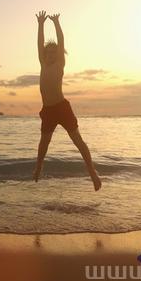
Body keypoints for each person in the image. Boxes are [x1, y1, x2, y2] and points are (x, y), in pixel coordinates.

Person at [32, 11, 102, 190]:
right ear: (44, 55)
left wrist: (56, 23)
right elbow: (39, 44)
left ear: (58, 55)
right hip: (48, 110)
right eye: (48, 53)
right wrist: (40, 24)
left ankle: (92, 172)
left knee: (78, 141)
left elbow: (61, 41)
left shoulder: (59, 64)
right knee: (44, 143)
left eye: (53, 52)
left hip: (62, 108)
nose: (50, 55)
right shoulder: (42, 63)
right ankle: (39, 167)